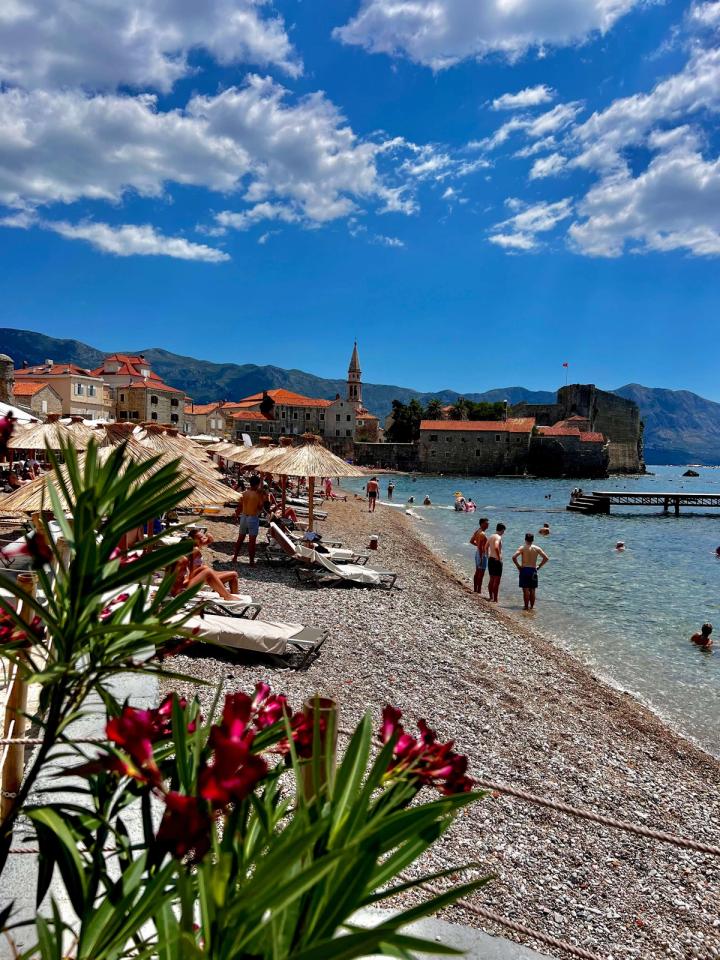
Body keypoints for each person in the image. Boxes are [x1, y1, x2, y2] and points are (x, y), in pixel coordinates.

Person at [232, 474, 268, 565]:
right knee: (252, 541)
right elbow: (260, 507)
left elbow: (239, 507)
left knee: (240, 538)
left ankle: (235, 557)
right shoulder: (258, 494)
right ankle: (251, 562)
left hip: (243, 516)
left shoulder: (244, 493)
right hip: (252, 517)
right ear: (258, 484)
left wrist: (236, 515)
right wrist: (263, 498)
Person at [512, 533, 549, 611]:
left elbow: (514, 557)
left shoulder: (522, 548)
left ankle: (526, 607)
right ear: (533, 540)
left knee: (525, 590)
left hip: (524, 570)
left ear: (525, 539)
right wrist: (539, 566)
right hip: (533, 570)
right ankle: (531, 607)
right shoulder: (537, 548)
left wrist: (518, 566)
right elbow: (546, 558)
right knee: (532, 590)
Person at [469, 517, 490, 595]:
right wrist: (481, 557)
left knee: (477, 571)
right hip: (482, 554)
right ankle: (478, 590)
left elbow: (471, 541)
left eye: (488, 523)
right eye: (486, 523)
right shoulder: (482, 534)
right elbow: (481, 547)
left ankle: (475, 589)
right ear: (482, 524)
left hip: (477, 553)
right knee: (481, 573)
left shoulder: (477, 531)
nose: (488, 525)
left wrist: (477, 546)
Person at [486, 523, 506, 602]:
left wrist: (488, 555)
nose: (504, 533)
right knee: (496, 581)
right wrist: (498, 557)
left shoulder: (491, 536)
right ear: (502, 530)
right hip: (496, 561)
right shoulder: (498, 537)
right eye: (504, 531)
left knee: (491, 579)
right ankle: (495, 599)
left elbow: (486, 547)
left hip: (490, 559)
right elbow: (496, 547)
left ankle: (491, 596)